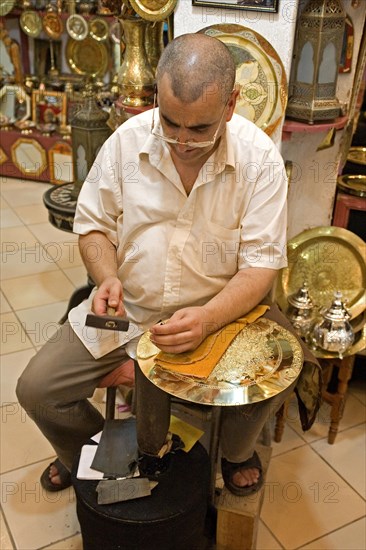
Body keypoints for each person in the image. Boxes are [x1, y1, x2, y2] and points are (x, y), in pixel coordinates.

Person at [16, 33, 319, 495]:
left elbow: (260, 268)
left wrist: (209, 317)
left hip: (220, 318)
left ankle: (236, 451)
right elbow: (94, 227)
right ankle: (92, 452)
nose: (180, 141)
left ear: (232, 103)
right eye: (170, 121)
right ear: (158, 97)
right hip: (129, 312)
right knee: (37, 390)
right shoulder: (126, 142)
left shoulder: (260, 161)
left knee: (284, 367)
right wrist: (108, 277)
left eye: (199, 129)